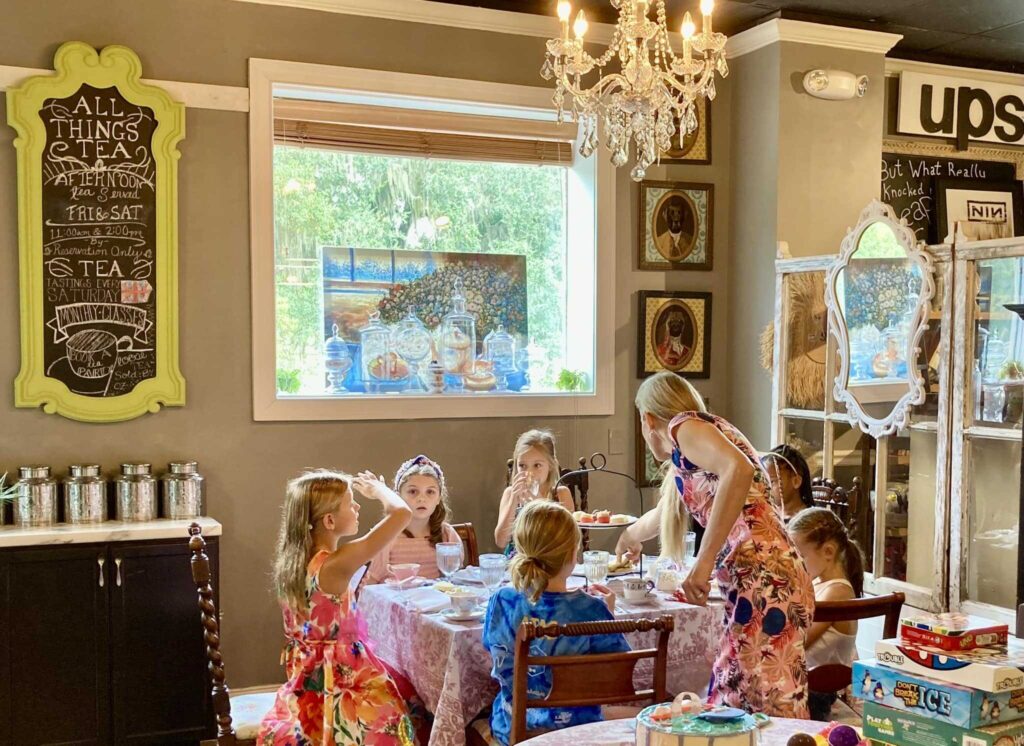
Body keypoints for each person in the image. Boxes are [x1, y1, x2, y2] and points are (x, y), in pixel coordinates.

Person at [616, 372, 815, 718]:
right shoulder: (695, 448)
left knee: (761, 695)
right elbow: (665, 512)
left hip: (764, 579)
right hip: (768, 574)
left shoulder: (683, 427)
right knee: (748, 690)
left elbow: (737, 470)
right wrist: (629, 535)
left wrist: (703, 563)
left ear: (648, 420)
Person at [258, 469, 420, 745]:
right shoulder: (335, 564)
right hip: (341, 682)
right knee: (399, 718)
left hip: (308, 682)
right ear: (330, 520)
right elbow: (402, 513)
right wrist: (377, 489)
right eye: (351, 502)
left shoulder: (294, 562)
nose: (357, 507)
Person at [482, 501, 628, 746]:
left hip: (512, 725)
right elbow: (617, 679)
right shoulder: (592, 609)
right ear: (573, 554)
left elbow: (495, 655)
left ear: (520, 548)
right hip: (579, 730)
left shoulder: (502, 601)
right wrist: (606, 616)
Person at [788, 507, 864, 721]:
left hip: (818, 696)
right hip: (805, 686)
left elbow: (799, 641)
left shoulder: (837, 592)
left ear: (828, 552)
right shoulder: (818, 584)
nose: (794, 564)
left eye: (800, 556)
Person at [366, 454, 460, 584]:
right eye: (413, 492)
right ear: (398, 497)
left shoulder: (447, 534)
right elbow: (372, 581)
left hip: (434, 601)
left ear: (439, 498)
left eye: (430, 492)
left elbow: (454, 578)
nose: (422, 499)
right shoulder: (387, 535)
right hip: (397, 600)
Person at [495, 429, 576, 555]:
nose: (529, 473)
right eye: (522, 466)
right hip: (516, 563)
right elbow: (500, 541)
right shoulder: (510, 494)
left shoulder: (561, 494)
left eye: (537, 465)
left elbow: (569, 541)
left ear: (550, 465)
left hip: (552, 562)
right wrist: (512, 502)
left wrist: (540, 504)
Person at [761, 445, 815, 522]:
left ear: (796, 481)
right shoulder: (767, 514)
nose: (766, 487)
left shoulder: (809, 522)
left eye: (772, 481)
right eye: (764, 481)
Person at [654, 197, 694, 261]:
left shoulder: (691, 242)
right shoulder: (659, 242)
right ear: (665, 216)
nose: (676, 218)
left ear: (684, 216)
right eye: (672, 213)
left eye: (679, 213)